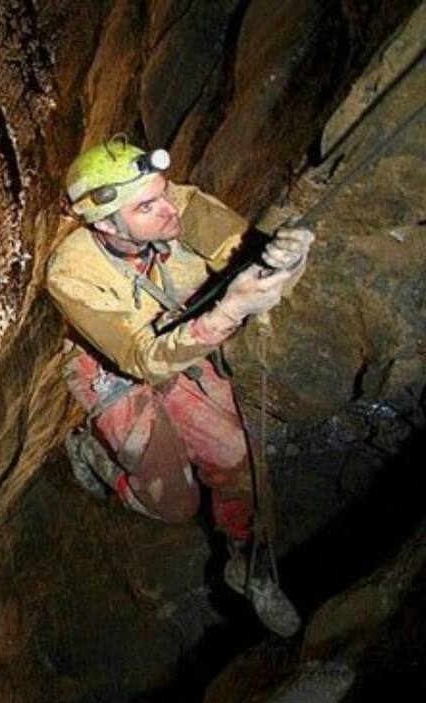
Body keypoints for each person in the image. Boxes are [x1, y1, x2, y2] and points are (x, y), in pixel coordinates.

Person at [46, 137, 313, 637]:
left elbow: (254, 265)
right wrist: (230, 310)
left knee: (239, 458)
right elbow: (141, 360)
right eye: (146, 207)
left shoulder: (185, 208)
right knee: (174, 504)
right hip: (113, 369)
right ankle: (92, 453)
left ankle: (248, 565)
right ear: (107, 225)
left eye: (162, 191)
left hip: (185, 343)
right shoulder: (71, 272)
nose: (169, 209)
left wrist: (286, 262)